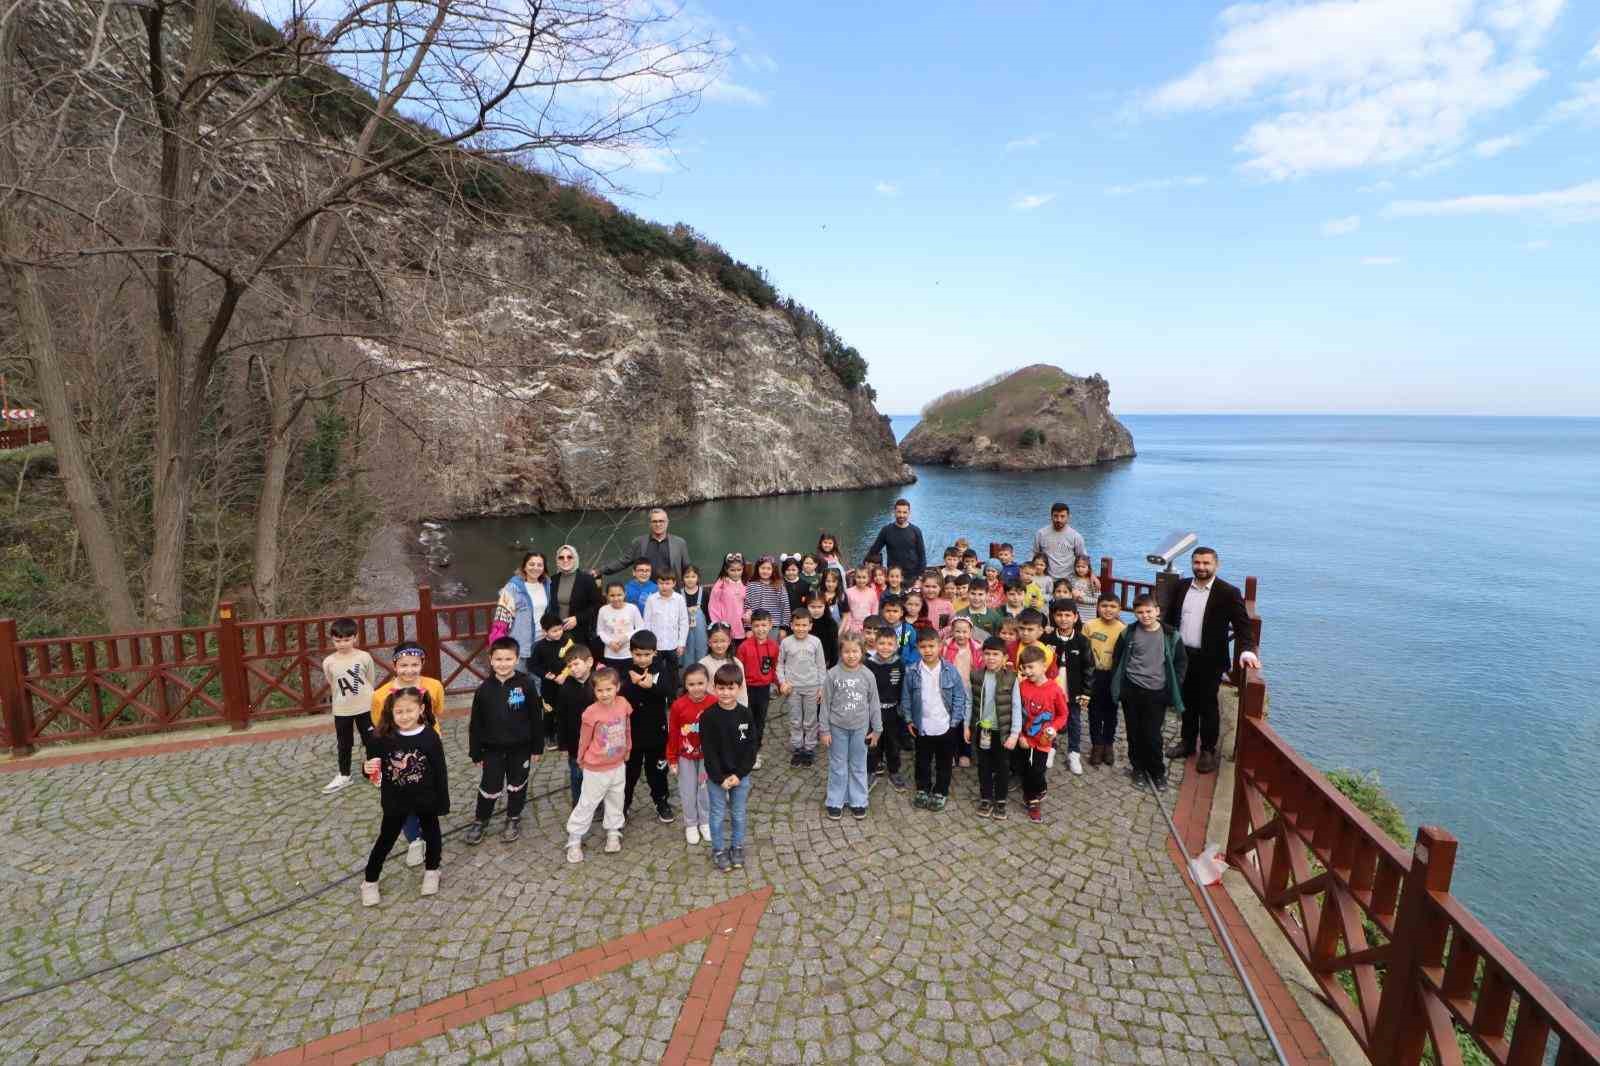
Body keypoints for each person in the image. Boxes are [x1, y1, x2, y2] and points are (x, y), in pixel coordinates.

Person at [1160, 547, 1260, 774]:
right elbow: (1169, 619)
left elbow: (1243, 626)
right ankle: (1187, 743)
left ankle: (1207, 749)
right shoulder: (1182, 586)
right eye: (1197, 563)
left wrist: (1247, 651)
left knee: (1207, 705)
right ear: (1192, 563)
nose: (1201, 567)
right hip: (1183, 655)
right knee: (1185, 702)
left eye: (1206, 563)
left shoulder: (1228, 592)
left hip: (1210, 659)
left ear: (1216, 565)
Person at [360, 687, 448, 904]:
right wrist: (366, 768)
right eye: (399, 712)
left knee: (432, 833)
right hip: (395, 800)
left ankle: (432, 870)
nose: (405, 716)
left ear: (421, 709)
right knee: (385, 839)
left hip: (426, 798)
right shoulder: (381, 738)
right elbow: (372, 768)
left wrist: (442, 800)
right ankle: (370, 880)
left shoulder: (430, 736)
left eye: (410, 711)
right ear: (391, 712)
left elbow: (440, 769)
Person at [369, 640, 445, 868]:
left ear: (422, 663)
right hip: (396, 747)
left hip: (427, 744)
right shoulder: (381, 695)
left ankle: (427, 833)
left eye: (414, 664)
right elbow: (379, 722)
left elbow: (438, 710)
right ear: (395, 665)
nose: (409, 670)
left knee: (424, 790)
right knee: (401, 793)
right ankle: (414, 839)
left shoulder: (434, 686)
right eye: (403, 665)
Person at [464, 637, 542, 845]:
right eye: (498, 659)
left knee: (517, 784)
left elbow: (536, 716)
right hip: (492, 750)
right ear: (490, 660)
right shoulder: (483, 690)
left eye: (508, 659)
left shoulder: (526, 684)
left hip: (521, 748)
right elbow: (476, 724)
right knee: (489, 786)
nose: (503, 663)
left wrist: (537, 747)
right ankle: (481, 820)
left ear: (516, 659)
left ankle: (513, 818)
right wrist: (476, 751)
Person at [1111, 594, 1186, 791]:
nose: (1145, 616)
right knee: (1134, 733)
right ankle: (1138, 769)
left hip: (1156, 692)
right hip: (1132, 690)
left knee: (1153, 735)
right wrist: (1122, 688)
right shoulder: (1128, 633)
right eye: (1140, 612)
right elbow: (1118, 659)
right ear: (1134, 613)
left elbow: (1180, 664)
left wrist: (1171, 689)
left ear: (1157, 611)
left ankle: (1157, 771)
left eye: (1149, 611)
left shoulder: (1170, 635)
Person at [564, 666, 631, 863]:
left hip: (618, 764)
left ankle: (613, 831)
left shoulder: (623, 704)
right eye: (600, 690)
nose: (604, 694)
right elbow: (584, 738)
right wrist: (581, 758)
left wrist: (628, 749)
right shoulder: (590, 713)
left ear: (617, 687)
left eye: (608, 689)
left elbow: (627, 728)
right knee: (588, 803)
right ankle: (574, 839)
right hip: (596, 767)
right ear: (594, 691)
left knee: (616, 799)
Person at [902, 627, 968, 812]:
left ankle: (941, 791)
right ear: (917, 648)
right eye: (923, 647)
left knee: (944, 762)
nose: (928, 650)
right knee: (922, 761)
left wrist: (954, 722)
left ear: (939, 646)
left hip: (945, 726)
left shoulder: (949, 670)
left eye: (931, 646)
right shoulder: (912, 671)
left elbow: (959, 697)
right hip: (922, 726)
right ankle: (923, 788)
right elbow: (906, 697)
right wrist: (908, 720)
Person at [702, 664, 758, 873]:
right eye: (721, 688)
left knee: (738, 813)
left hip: (740, 777)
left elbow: (751, 748)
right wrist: (719, 778)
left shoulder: (745, 714)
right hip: (717, 778)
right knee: (716, 815)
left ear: (739, 688)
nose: (726, 693)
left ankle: (737, 847)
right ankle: (718, 849)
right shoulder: (708, 716)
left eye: (730, 688)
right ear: (714, 688)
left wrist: (739, 775)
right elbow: (708, 751)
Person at [821, 634, 882, 820]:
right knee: (837, 765)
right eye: (846, 651)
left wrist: (877, 729)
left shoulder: (868, 675)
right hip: (837, 727)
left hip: (860, 728)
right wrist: (824, 730)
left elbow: (874, 703)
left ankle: (858, 800)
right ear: (840, 652)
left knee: (858, 765)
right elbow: (825, 703)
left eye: (855, 651)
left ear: (862, 652)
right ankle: (835, 800)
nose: (851, 655)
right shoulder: (832, 674)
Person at [620, 630, 676, 823]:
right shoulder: (626, 670)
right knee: (629, 773)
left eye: (646, 654)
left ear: (654, 652)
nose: (642, 659)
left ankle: (661, 801)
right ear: (631, 652)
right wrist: (630, 684)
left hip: (656, 732)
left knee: (658, 771)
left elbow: (669, 692)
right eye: (637, 654)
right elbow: (617, 695)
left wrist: (651, 686)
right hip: (631, 733)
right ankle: (623, 805)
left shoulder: (662, 668)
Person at [1013, 644, 1068, 822]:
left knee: (1037, 771)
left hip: (1043, 741)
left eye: (1031, 667)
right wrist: (1020, 735)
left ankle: (1033, 801)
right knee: (1023, 769)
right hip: (1024, 738)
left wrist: (1055, 728)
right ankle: (1033, 789)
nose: (1027, 671)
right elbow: (1017, 712)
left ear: (1044, 666)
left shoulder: (1054, 690)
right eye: (1024, 667)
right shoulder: (1021, 687)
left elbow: (1063, 714)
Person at [965, 637, 1018, 819]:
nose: (991, 658)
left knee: (1002, 766)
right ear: (982, 656)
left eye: (996, 654)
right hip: (983, 730)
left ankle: (1001, 800)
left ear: (1005, 658)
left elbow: (1017, 707)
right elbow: (969, 703)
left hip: (1002, 732)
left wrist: (1014, 734)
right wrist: (967, 726)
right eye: (987, 654)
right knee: (984, 765)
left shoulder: (1012, 678)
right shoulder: (976, 675)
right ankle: (986, 798)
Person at [321, 618, 375, 794]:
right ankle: (344, 775)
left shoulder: (364, 657)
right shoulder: (329, 662)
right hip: (342, 709)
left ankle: (374, 772)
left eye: (346, 639)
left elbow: (370, 679)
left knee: (371, 740)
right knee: (344, 743)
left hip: (365, 706)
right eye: (338, 640)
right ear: (332, 640)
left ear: (355, 637)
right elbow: (332, 682)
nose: (342, 644)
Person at [667, 664, 716, 846]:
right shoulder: (678, 706)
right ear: (685, 685)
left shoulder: (713, 703)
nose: (696, 688)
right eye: (691, 684)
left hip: (707, 757)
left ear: (707, 683)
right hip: (685, 757)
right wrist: (672, 758)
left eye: (700, 683)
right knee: (687, 791)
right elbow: (673, 733)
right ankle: (690, 824)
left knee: (705, 790)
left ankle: (705, 821)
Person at [1044, 599, 1091, 777]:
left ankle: (1074, 752)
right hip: (1052, 689)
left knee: (1074, 721)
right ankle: (1050, 747)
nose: (1063, 619)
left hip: (1074, 689)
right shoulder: (1047, 638)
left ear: (1075, 617)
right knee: (1050, 719)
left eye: (1067, 615)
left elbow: (1089, 668)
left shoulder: (1082, 641)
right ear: (1053, 617)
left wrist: (1087, 692)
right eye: (1059, 615)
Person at [548, 644, 596, 806]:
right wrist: (563, 743)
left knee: (598, 777)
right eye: (569, 666)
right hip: (576, 743)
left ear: (589, 662)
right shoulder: (566, 688)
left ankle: (599, 804)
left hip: (598, 742)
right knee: (577, 776)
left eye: (576, 664)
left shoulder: (599, 684)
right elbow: (561, 717)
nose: (573, 669)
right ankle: (578, 804)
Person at [1082, 593, 1126, 767]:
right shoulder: (1089, 626)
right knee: (1094, 712)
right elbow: (1084, 650)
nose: (1108, 610)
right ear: (1098, 607)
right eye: (1104, 606)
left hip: (1112, 675)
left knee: (1111, 711)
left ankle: (1108, 744)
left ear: (1119, 609)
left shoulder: (1123, 629)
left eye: (1113, 606)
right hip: (1093, 675)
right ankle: (1097, 745)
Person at [779, 610, 826, 767]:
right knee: (795, 719)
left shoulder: (816, 642)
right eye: (797, 625)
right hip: (793, 688)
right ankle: (798, 747)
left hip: (812, 687)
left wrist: (822, 687)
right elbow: (780, 664)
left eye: (804, 625)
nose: (800, 628)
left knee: (811, 720)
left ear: (810, 626)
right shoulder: (786, 643)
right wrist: (782, 682)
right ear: (791, 625)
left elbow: (821, 666)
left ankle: (809, 747)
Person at [593, 507, 691, 582]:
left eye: (661, 521)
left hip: (670, 592)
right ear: (650, 524)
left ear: (667, 523)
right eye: (654, 521)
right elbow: (622, 562)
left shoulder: (679, 543)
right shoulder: (638, 542)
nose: (658, 524)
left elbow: (687, 569)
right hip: (645, 592)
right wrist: (599, 571)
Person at [865, 627, 909, 791]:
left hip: (892, 711)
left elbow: (903, 688)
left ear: (896, 645)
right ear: (875, 644)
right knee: (872, 742)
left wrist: (902, 709)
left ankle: (894, 770)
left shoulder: (899, 663)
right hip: (872, 711)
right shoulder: (868, 664)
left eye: (890, 644)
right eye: (881, 643)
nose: (885, 647)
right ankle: (871, 770)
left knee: (892, 743)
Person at [489, 552, 550, 670]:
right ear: (524, 567)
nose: (535, 568)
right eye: (531, 564)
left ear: (544, 568)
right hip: (519, 644)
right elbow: (501, 618)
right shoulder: (513, 587)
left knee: (536, 681)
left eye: (539, 565)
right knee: (517, 680)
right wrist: (499, 647)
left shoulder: (546, 584)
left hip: (541, 641)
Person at [735, 609, 780, 769]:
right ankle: (742, 750)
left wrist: (780, 684)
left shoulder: (774, 646)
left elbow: (774, 668)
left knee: (759, 722)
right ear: (751, 627)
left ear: (770, 625)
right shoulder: (744, 647)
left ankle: (755, 752)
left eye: (764, 625)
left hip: (763, 689)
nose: (760, 629)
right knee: (745, 720)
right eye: (756, 625)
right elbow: (737, 670)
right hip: (746, 689)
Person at [529, 613, 574, 750]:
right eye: (554, 631)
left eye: (560, 629)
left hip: (566, 682)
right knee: (549, 711)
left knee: (565, 709)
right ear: (544, 632)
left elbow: (573, 658)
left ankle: (565, 735)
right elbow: (532, 665)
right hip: (548, 685)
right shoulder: (539, 647)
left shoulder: (568, 640)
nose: (558, 633)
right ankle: (549, 735)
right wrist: (544, 674)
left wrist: (564, 675)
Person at [549, 545, 602, 651]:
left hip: (579, 634)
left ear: (575, 559)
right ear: (557, 560)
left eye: (569, 557)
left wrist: (577, 618)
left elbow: (596, 606)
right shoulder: (552, 580)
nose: (565, 560)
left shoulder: (587, 580)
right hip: (556, 634)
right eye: (561, 557)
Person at [862, 498, 927, 578]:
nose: (901, 515)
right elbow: (874, 550)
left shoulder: (916, 531)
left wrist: (919, 576)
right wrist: (863, 566)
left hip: (912, 575)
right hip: (893, 576)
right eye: (899, 512)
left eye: (904, 512)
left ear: (909, 513)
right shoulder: (886, 530)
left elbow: (922, 556)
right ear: (894, 512)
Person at [641, 569, 689, 674]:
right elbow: (647, 623)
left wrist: (681, 643)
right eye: (661, 583)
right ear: (657, 583)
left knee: (672, 672)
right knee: (654, 672)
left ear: (674, 583)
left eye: (667, 583)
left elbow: (684, 622)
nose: (664, 586)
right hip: (655, 646)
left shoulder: (679, 599)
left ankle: (672, 689)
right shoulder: (651, 599)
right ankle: (656, 690)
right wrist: (649, 645)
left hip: (673, 645)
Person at [595, 580, 644, 673]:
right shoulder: (603, 610)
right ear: (607, 595)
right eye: (612, 595)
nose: (616, 598)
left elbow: (640, 627)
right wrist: (610, 642)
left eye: (619, 595)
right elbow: (600, 631)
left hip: (629, 654)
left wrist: (626, 637)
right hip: (610, 654)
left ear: (624, 594)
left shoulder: (632, 608)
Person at [1032, 502, 1088, 580]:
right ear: (1051, 516)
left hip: (1069, 579)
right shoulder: (1041, 534)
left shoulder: (1076, 536)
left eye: (1062, 516)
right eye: (1055, 516)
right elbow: (1034, 555)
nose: (1059, 520)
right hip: (1046, 578)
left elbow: (1084, 559)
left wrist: (1092, 576)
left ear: (1068, 517)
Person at [699, 622, 747, 707]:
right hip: (710, 708)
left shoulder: (736, 663)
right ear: (709, 642)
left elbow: (742, 691)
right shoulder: (703, 664)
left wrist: (743, 709)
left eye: (723, 641)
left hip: (732, 707)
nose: (719, 645)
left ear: (729, 641)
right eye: (715, 641)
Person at [742, 555, 791, 633]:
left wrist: (784, 628)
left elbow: (785, 607)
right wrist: (748, 628)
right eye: (762, 568)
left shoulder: (779, 585)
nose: (765, 571)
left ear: (773, 570)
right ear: (758, 568)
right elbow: (747, 606)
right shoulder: (751, 585)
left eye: (768, 569)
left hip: (774, 626)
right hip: (756, 626)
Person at [708, 553, 748, 639]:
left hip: (744, 627)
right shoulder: (720, 584)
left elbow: (750, 604)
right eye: (732, 570)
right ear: (726, 569)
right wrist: (719, 625)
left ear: (743, 569)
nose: (736, 573)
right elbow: (713, 607)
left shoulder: (746, 583)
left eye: (739, 570)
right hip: (726, 628)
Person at [680, 565, 710, 666]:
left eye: (693, 576)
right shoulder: (678, 595)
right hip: (685, 633)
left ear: (698, 578)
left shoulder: (704, 593)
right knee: (687, 654)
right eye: (687, 577)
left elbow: (707, 614)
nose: (690, 579)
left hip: (701, 633)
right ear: (682, 578)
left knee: (702, 654)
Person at [803, 592, 840, 669]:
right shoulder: (801, 623)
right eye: (812, 607)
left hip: (823, 664)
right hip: (803, 663)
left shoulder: (831, 624)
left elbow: (834, 649)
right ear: (806, 606)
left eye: (820, 607)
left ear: (825, 606)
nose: (816, 610)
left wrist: (831, 667)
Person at [843, 565, 879, 636]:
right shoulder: (848, 592)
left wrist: (873, 626)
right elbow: (847, 612)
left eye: (864, 577)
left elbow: (874, 611)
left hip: (868, 628)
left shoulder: (872, 593)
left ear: (868, 578)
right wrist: (848, 626)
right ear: (855, 577)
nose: (861, 580)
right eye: (859, 577)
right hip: (852, 627)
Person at [1068, 554, 1101, 622]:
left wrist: (1083, 599)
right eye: (1078, 566)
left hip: (1088, 616)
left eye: (1083, 567)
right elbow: (1067, 592)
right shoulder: (1071, 578)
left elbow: (1097, 599)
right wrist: (1072, 596)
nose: (1080, 569)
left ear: (1088, 568)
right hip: (1074, 613)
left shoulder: (1093, 581)